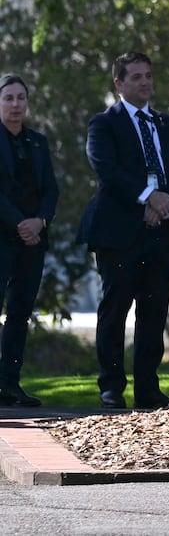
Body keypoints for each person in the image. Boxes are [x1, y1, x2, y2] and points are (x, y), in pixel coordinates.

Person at [80, 51, 169, 410]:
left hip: (163, 231)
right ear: (119, 83)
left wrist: (165, 201)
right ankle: (111, 386)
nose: (145, 82)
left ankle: (148, 389)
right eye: (136, 77)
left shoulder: (167, 124)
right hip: (119, 233)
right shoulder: (104, 124)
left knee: (154, 311)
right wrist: (148, 198)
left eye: (148, 75)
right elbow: (107, 170)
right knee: (115, 309)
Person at [0, 74, 59, 407]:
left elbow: (51, 189)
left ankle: (9, 384)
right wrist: (20, 222)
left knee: (20, 315)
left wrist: (40, 221)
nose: (15, 105)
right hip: (4, 235)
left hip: (32, 241)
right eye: (9, 98)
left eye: (21, 98)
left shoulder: (38, 142)